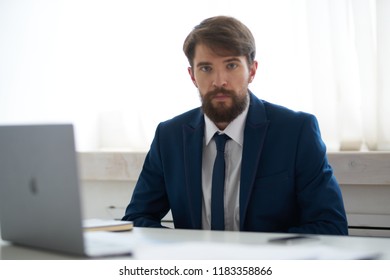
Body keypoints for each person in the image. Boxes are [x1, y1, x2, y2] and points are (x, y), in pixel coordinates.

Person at [122, 15, 348, 235]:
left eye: (231, 65)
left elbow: (331, 226)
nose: (219, 81)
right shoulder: (168, 136)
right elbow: (137, 220)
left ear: (252, 70)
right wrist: (187, 251)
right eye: (206, 68)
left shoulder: (297, 131)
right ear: (192, 76)